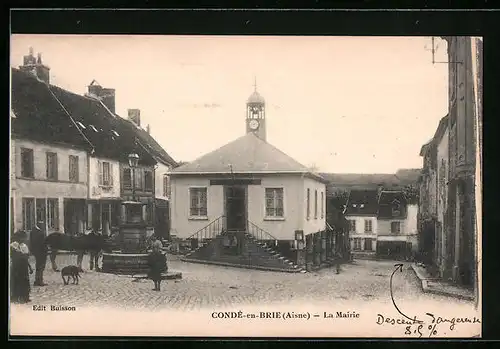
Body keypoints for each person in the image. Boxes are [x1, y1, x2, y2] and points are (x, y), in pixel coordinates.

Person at [10, 231, 34, 303]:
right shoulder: (13, 246)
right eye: (22, 238)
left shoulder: (24, 246)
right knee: (16, 281)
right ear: (17, 238)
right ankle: (15, 296)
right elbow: (13, 256)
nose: (24, 240)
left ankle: (25, 296)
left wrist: (30, 268)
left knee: (25, 281)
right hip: (16, 266)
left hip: (24, 267)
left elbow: (26, 258)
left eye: (24, 238)